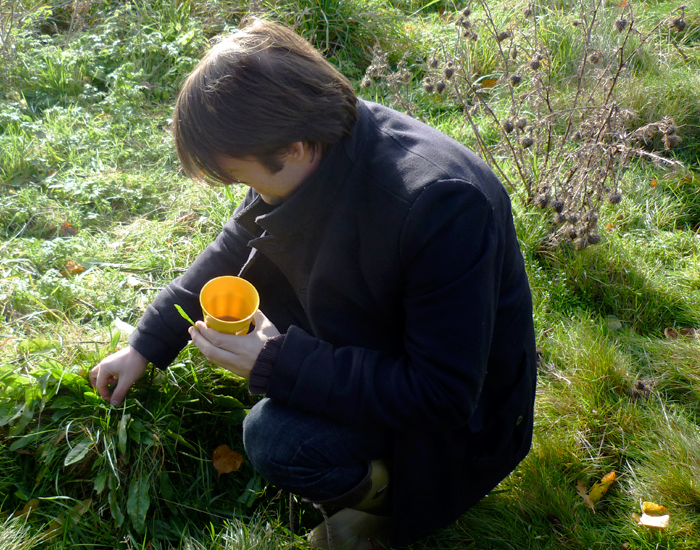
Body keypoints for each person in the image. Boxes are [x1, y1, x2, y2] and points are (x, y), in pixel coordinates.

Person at [88, 18, 537, 549]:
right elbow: (234, 247)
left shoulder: (442, 207)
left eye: (248, 179)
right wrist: (145, 345)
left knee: (276, 439)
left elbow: (442, 395)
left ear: (296, 146)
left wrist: (275, 364)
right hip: (381, 338)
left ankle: (393, 504)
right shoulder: (321, 145)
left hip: (459, 422)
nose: (249, 194)